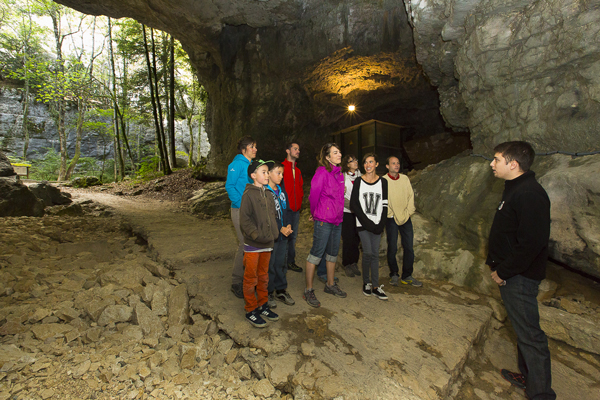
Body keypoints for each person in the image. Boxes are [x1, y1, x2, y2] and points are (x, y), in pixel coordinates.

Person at [486, 141, 556, 400]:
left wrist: (504, 271)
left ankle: (541, 394)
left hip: (519, 277)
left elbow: (531, 243)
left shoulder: (529, 194)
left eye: (496, 160)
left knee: (530, 335)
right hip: (513, 274)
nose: (492, 164)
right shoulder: (515, 188)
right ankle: (528, 377)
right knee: (522, 329)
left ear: (513, 164)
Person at [303, 143, 347, 308]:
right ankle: (308, 289)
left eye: (339, 151)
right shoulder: (322, 172)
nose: (339, 154)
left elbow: (339, 197)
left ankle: (330, 284)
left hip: (337, 219)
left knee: (333, 254)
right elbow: (313, 196)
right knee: (316, 254)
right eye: (335, 152)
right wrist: (314, 214)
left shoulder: (339, 173)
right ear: (327, 157)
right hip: (323, 219)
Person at [239, 159, 280, 328]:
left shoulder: (269, 194)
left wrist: (275, 232)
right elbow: (245, 220)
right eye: (263, 171)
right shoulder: (248, 195)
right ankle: (250, 309)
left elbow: (273, 216)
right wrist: (256, 235)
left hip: (267, 243)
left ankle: (262, 305)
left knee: (263, 276)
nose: (267, 174)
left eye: (267, 171)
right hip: (254, 245)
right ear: (253, 175)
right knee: (251, 278)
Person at [350, 153, 388, 300]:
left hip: (377, 225)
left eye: (371, 162)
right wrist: (367, 223)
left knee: (375, 254)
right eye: (365, 162)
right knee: (368, 253)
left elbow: (385, 204)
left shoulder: (383, 182)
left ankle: (376, 286)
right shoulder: (359, 181)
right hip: (363, 224)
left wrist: (381, 224)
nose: (368, 165)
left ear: (376, 164)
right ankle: (367, 282)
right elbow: (354, 204)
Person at [226, 136, 257, 299]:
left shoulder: (251, 166)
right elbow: (229, 186)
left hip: (250, 211)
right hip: (239, 211)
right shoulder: (237, 164)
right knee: (244, 245)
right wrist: (241, 203)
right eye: (253, 147)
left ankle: (249, 279)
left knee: (251, 244)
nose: (255, 149)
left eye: (256, 147)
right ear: (244, 149)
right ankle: (236, 281)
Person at [383, 156, 422, 287]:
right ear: (387, 166)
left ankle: (407, 275)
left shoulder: (405, 179)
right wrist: (391, 214)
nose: (396, 165)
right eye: (393, 163)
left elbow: (411, 196)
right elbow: (384, 201)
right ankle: (394, 274)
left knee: (409, 248)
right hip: (391, 218)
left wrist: (408, 213)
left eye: (398, 163)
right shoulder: (384, 180)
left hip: (406, 217)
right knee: (392, 247)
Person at [265, 162, 295, 307]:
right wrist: (279, 228)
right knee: (270, 264)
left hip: (283, 236)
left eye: (282, 173)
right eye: (278, 173)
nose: (281, 176)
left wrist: (288, 225)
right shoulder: (265, 192)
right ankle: (268, 292)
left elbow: (287, 210)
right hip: (272, 236)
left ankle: (281, 290)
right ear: (269, 173)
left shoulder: (282, 192)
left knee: (281, 263)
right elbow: (267, 217)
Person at [282, 142, 304, 273]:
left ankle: (290, 262)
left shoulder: (298, 170)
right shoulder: (282, 168)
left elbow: (300, 189)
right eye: (295, 149)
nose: (298, 151)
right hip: (286, 210)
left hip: (296, 210)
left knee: (293, 237)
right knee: (284, 237)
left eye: (299, 149)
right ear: (287, 150)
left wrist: (299, 204)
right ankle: (282, 263)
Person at [341, 154, 362, 277]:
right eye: (352, 161)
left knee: (356, 238)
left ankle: (354, 262)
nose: (355, 162)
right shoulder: (342, 176)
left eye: (356, 160)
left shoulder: (360, 174)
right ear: (347, 164)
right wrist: (352, 207)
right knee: (348, 238)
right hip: (347, 211)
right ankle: (347, 263)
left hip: (359, 212)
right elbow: (341, 195)